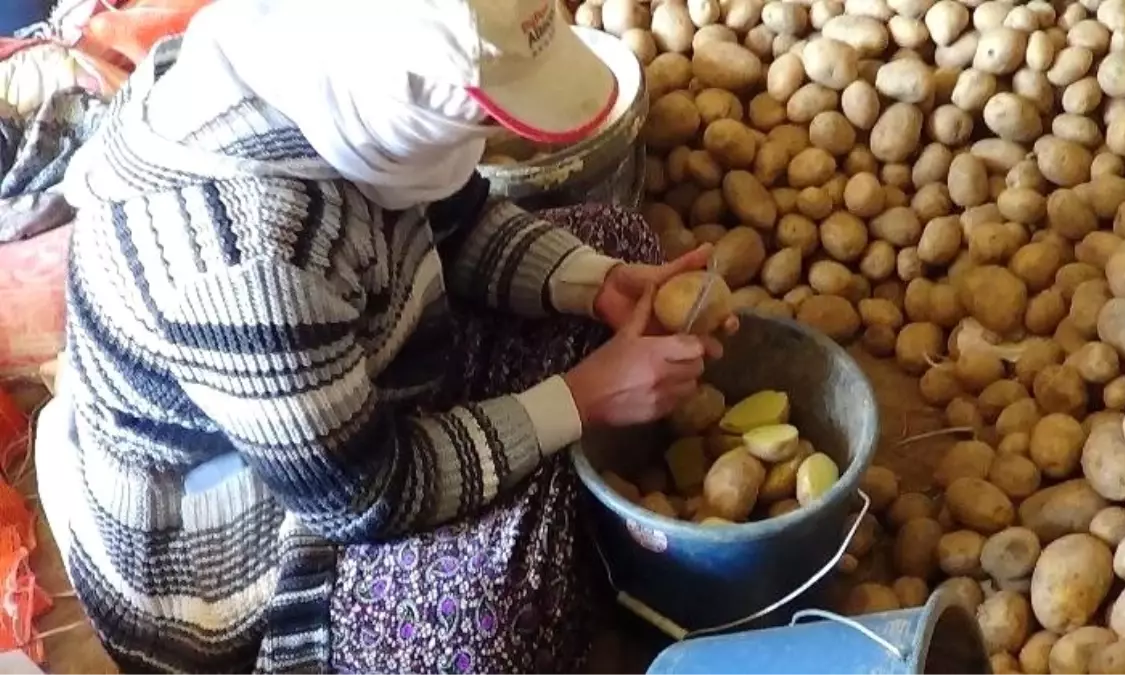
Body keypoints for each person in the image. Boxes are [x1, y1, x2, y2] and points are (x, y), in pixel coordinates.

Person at [33, 0, 734, 673]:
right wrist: (581, 400)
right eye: (480, 121)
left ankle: (555, 470)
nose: (490, 141)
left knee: (618, 240)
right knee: (494, 618)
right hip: (264, 537)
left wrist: (597, 283)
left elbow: (452, 221)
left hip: (347, 373)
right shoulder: (246, 257)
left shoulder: (331, 74)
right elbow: (363, 493)